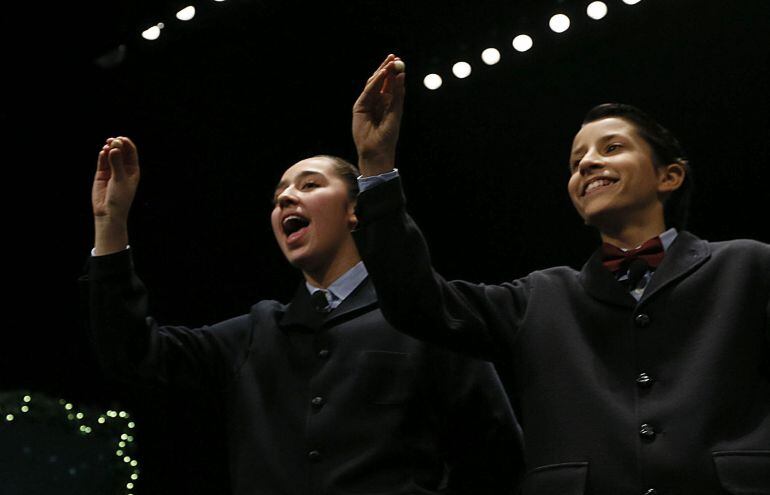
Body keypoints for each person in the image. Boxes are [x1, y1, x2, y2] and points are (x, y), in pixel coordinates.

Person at [351, 54, 770, 494]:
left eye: (611, 148)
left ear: (669, 176)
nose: (586, 164)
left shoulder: (750, 267)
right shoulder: (540, 296)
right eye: (576, 162)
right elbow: (418, 303)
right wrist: (376, 166)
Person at [84, 134, 522, 495]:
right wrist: (111, 225)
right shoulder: (257, 331)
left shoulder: (426, 315)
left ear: (356, 210)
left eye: (309, 185)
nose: (287, 198)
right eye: (279, 197)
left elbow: (496, 451)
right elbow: (132, 356)